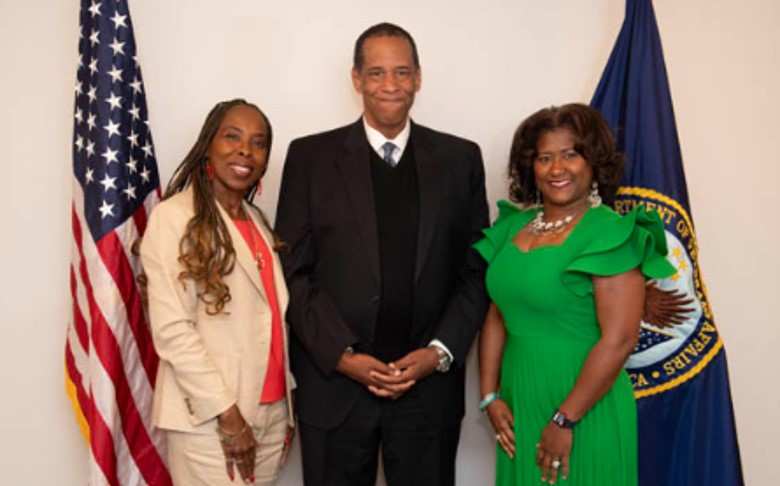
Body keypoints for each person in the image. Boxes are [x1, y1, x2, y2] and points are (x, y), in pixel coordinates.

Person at [275, 22, 489, 486]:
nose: (390, 85)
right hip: (334, 388)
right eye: (376, 73)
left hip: (427, 389)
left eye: (401, 72)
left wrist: (438, 353)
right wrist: (343, 356)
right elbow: (293, 271)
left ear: (418, 77)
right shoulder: (310, 158)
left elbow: (475, 273)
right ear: (356, 79)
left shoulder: (460, 160)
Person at [476, 103, 676, 486]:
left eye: (570, 154)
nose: (557, 169)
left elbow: (620, 340)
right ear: (530, 166)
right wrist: (489, 396)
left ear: (593, 161)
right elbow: (497, 313)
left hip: (582, 408)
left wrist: (565, 418)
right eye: (544, 157)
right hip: (521, 402)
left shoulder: (611, 233)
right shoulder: (512, 228)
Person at [140, 99, 295, 486]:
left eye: (258, 143)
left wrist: (281, 412)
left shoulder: (258, 222)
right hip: (212, 420)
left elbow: (270, 323)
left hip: (270, 413)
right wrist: (230, 417)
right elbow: (173, 331)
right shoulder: (174, 218)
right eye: (232, 137)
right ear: (208, 145)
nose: (246, 150)